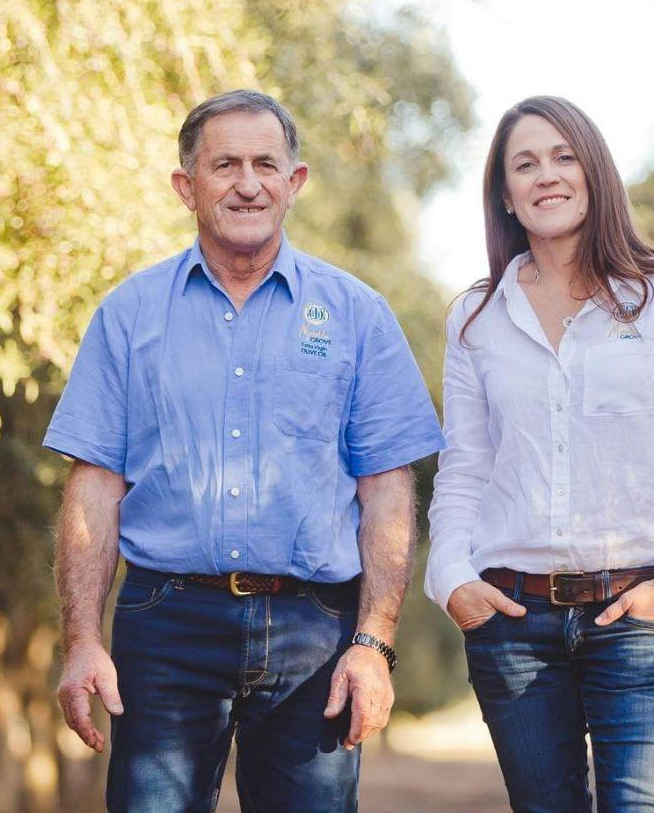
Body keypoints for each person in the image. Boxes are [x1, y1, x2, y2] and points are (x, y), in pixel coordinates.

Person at [46, 89, 445, 813]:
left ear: (295, 183)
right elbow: (93, 488)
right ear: (185, 187)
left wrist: (373, 644)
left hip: (313, 634)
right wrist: (81, 640)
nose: (248, 182)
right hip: (164, 625)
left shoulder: (358, 316)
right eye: (224, 164)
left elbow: (387, 488)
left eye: (266, 163)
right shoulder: (128, 315)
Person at [425, 95, 654, 813]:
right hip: (514, 625)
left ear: (594, 172)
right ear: (506, 196)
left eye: (562, 156)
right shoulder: (476, 317)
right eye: (525, 164)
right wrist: (452, 579)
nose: (546, 175)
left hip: (640, 618)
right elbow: (465, 468)